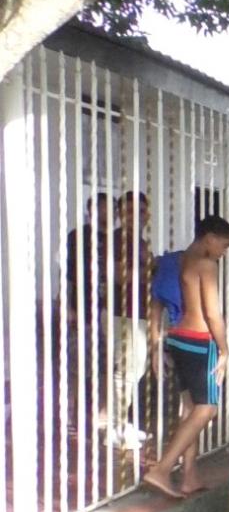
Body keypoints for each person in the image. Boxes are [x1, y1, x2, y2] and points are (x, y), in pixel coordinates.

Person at [143, 215, 229, 499]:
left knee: (190, 409)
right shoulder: (207, 265)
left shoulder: (169, 261)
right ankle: (162, 468)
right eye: (223, 244)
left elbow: (155, 305)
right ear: (209, 238)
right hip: (199, 341)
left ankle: (189, 476)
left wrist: (156, 345)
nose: (224, 252)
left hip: (177, 340)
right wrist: (224, 349)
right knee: (207, 408)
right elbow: (212, 314)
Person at [67, 191, 152, 447]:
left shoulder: (137, 241)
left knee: (132, 370)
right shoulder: (117, 241)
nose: (136, 216)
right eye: (128, 211)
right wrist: (151, 267)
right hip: (119, 313)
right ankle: (115, 429)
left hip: (134, 313)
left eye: (141, 211)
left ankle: (120, 423)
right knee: (125, 371)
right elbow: (119, 278)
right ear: (120, 215)